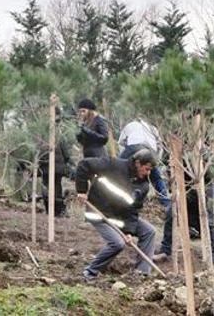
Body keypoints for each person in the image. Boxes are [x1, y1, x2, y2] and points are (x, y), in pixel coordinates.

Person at [75, 149, 158, 280]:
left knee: (149, 231)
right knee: (117, 243)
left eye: (150, 170)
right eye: (146, 169)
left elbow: (133, 209)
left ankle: (141, 274)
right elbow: (84, 165)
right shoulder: (113, 165)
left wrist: (128, 231)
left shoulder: (143, 186)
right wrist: (81, 190)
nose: (148, 173)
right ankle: (91, 271)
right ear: (137, 163)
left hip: (120, 218)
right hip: (99, 213)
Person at [118, 119, 173, 260]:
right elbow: (160, 147)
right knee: (156, 179)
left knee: (121, 174)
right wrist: (155, 164)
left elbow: (121, 144)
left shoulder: (129, 125)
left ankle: (123, 197)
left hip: (133, 150)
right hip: (150, 151)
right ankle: (166, 201)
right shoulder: (153, 127)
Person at [39, 116, 73, 216]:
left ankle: (49, 210)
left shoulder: (41, 137)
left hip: (44, 168)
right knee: (57, 188)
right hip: (57, 169)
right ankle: (58, 212)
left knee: (46, 187)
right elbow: (66, 155)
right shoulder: (60, 137)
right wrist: (69, 164)